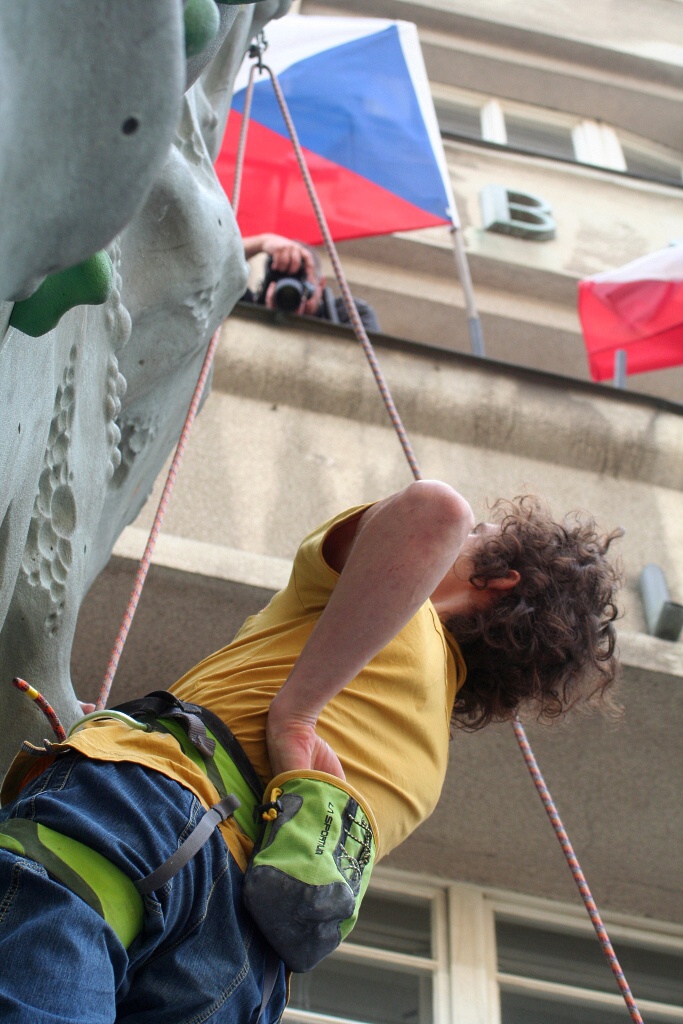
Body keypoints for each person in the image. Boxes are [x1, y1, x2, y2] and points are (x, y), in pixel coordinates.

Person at [0, 480, 622, 1022]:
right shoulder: (426, 769)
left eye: (480, 537)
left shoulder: (395, 613)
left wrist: (299, 709)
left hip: (150, 819)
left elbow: (434, 512)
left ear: (499, 577)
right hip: (237, 970)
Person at [242, 232, 380, 332]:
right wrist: (262, 242)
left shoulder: (350, 314)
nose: (290, 288)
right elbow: (220, 264)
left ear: (321, 284)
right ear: (266, 283)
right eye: (280, 279)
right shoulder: (247, 306)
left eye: (299, 280)